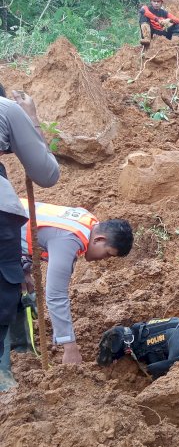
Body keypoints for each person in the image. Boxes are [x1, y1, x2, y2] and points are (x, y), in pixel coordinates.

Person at [18, 199, 133, 365]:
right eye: (107, 253)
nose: (104, 259)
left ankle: (18, 351)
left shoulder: (88, 222)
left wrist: (24, 269)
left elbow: (33, 233)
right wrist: (70, 348)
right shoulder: (69, 240)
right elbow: (56, 296)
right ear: (99, 239)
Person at [1, 88, 60, 391]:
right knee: (5, 287)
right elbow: (46, 174)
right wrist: (32, 118)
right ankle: (3, 375)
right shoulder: (7, 107)